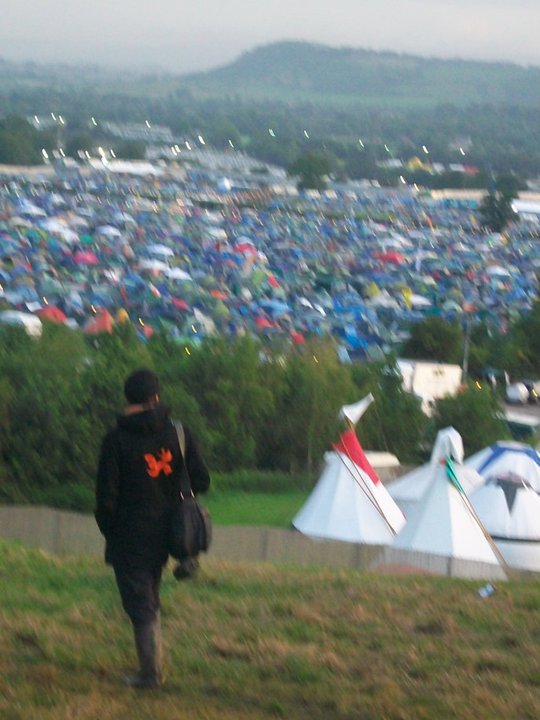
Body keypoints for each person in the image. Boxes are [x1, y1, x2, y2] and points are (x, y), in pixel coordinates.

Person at [95, 368, 210, 689]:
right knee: (147, 597)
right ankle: (152, 666)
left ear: (128, 398)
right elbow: (202, 480)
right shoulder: (179, 433)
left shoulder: (115, 441)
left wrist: (111, 531)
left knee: (140, 602)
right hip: (172, 532)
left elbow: (105, 499)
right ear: (155, 397)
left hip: (130, 535)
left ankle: (150, 674)